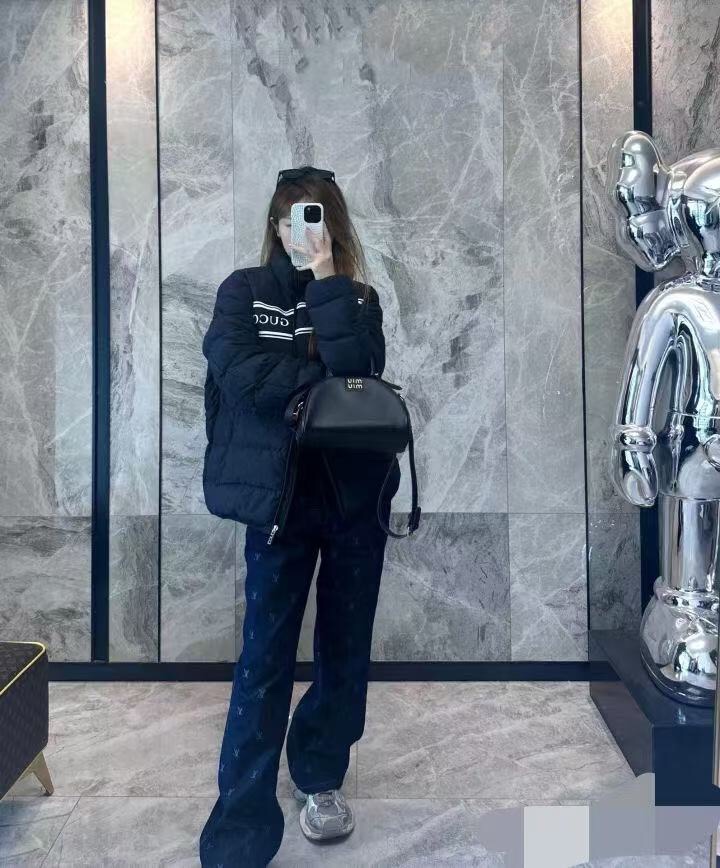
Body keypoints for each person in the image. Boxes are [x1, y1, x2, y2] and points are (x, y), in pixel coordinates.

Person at [198, 165, 401, 867]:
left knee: (345, 652)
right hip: (278, 501)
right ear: (274, 225)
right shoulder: (243, 291)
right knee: (264, 659)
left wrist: (326, 283)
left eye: (314, 217)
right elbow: (240, 375)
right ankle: (240, 829)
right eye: (290, 218)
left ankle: (319, 775)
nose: (299, 231)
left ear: (333, 226)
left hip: (355, 498)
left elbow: (361, 366)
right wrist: (321, 386)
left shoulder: (357, 297)